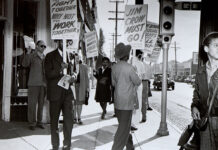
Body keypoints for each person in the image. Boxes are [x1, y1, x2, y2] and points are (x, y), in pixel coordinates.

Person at [44, 40, 74, 150]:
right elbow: (48, 74)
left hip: (67, 94)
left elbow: (73, 72)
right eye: (63, 41)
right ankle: (55, 145)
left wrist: (73, 77)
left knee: (69, 120)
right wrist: (60, 69)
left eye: (68, 41)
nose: (65, 43)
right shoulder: (50, 56)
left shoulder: (71, 56)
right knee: (54, 121)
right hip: (55, 93)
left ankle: (67, 144)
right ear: (59, 42)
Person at [111, 43, 141, 150]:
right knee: (123, 129)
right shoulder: (130, 68)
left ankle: (130, 146)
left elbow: (113, 83)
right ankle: (116, 148)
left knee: (124, 126)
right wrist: (137, 73)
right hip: (127, 102)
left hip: (118, 101)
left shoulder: (114, 67)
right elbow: (137, 82)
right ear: (127, 55)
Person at [191, 32, 218, 149]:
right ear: (206, 48)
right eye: (216, 45)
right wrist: (194, 107)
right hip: (205, 121)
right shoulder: (200, 71)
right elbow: (196, 94)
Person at [22, 40, 47, 130]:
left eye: (44, 46)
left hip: (43, 85)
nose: (43, 48)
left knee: (41, 104)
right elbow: (24, 64)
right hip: (33, 84)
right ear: (36, 46)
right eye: (41, 46)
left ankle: (39, 122)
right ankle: (31, 123)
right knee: (32, 104)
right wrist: (28, 53)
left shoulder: (45, 57)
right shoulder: (32, 56)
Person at [71, 53, 89, 125]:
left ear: (80, 58)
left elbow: (87, 78)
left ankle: (79, 117)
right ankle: (74, 118)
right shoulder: (71, 66)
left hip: (81, 87)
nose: (77, 59)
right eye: (75, 58)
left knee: (80, 103)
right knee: (74, 103)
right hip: (73, 86)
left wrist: (87, 88)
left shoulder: (84, 67)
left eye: (78, 58)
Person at [131, 49, 145, 129]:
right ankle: (133, 122)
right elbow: (142, 76)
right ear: (140, 55)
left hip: (130, 85)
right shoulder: (140, 63)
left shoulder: (130, 61)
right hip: (138, 84)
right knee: (136, 103)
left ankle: (130, 121)